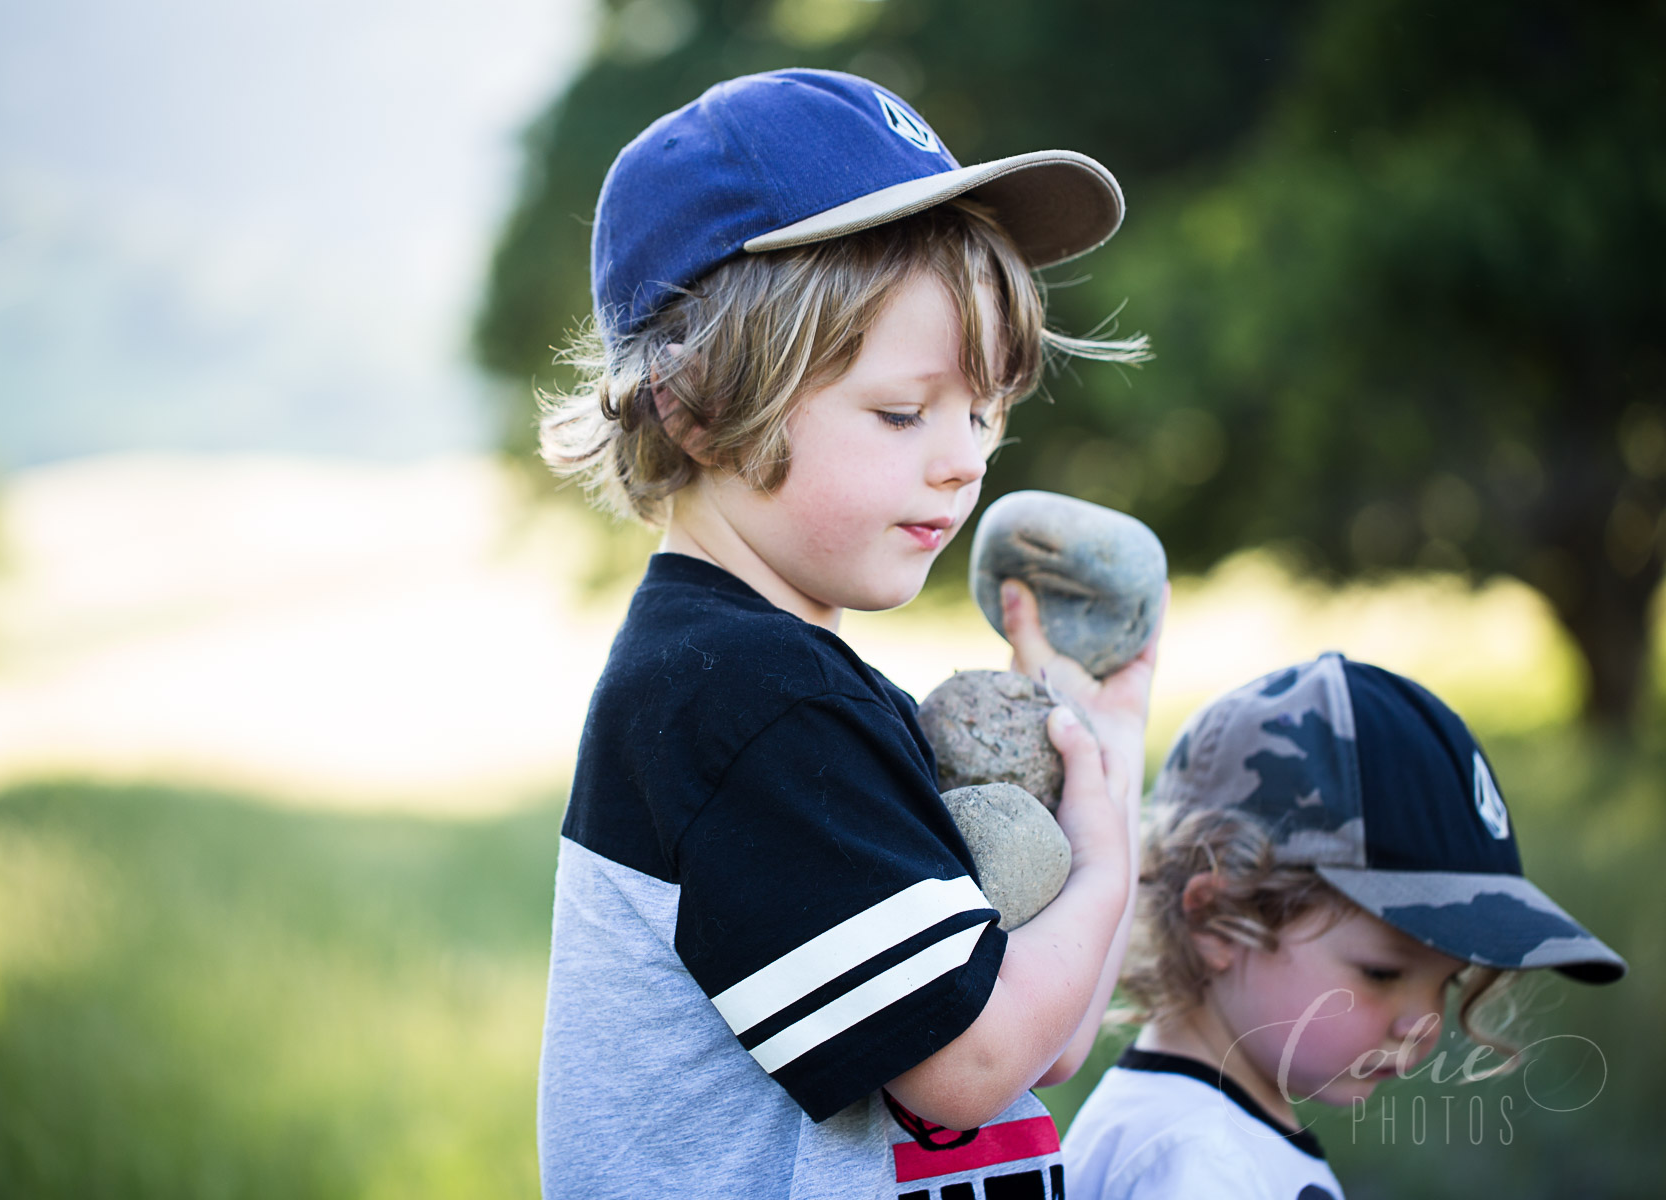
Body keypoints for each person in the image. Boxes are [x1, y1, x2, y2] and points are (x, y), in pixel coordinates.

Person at [535, 68, 1161, 1198]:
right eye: (903, 412)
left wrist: (1100, 767)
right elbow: (966, 1069)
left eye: (985, 410)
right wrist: (1111, 851)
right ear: (696, 402)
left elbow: (1043, 1042)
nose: (965, 458)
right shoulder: (744, 705)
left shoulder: (801, 687)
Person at [1059, 652, 1627, 1199]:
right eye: (1383, 972)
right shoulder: (1197, 1164)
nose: (1425, 1023)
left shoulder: (1212, 1135)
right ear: (1218, 921)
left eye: (1448, 981)